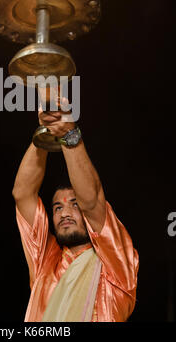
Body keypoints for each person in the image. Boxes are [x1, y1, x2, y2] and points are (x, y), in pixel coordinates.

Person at [12, 107, 139, 322]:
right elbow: (23, 193)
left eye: (74, 205)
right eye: (57, 208)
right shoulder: (46, 264)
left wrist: (69, 134)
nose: (65, 213)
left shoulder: (115, 267)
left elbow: (91, 201)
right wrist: (44, 133)